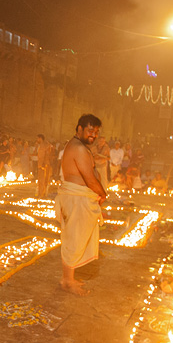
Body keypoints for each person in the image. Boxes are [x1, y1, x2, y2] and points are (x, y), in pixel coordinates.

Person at [57, 114, 107, 295]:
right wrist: (102, 193)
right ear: (79, 129)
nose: (93, 135)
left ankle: (68, 278)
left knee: (75, 238)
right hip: (76, 199)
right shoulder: (78, 148)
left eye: (96, 132)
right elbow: (89, 178)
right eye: (90, 130)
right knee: (74, 240)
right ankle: (67, 282)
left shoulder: (78, 146)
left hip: (78, 198)